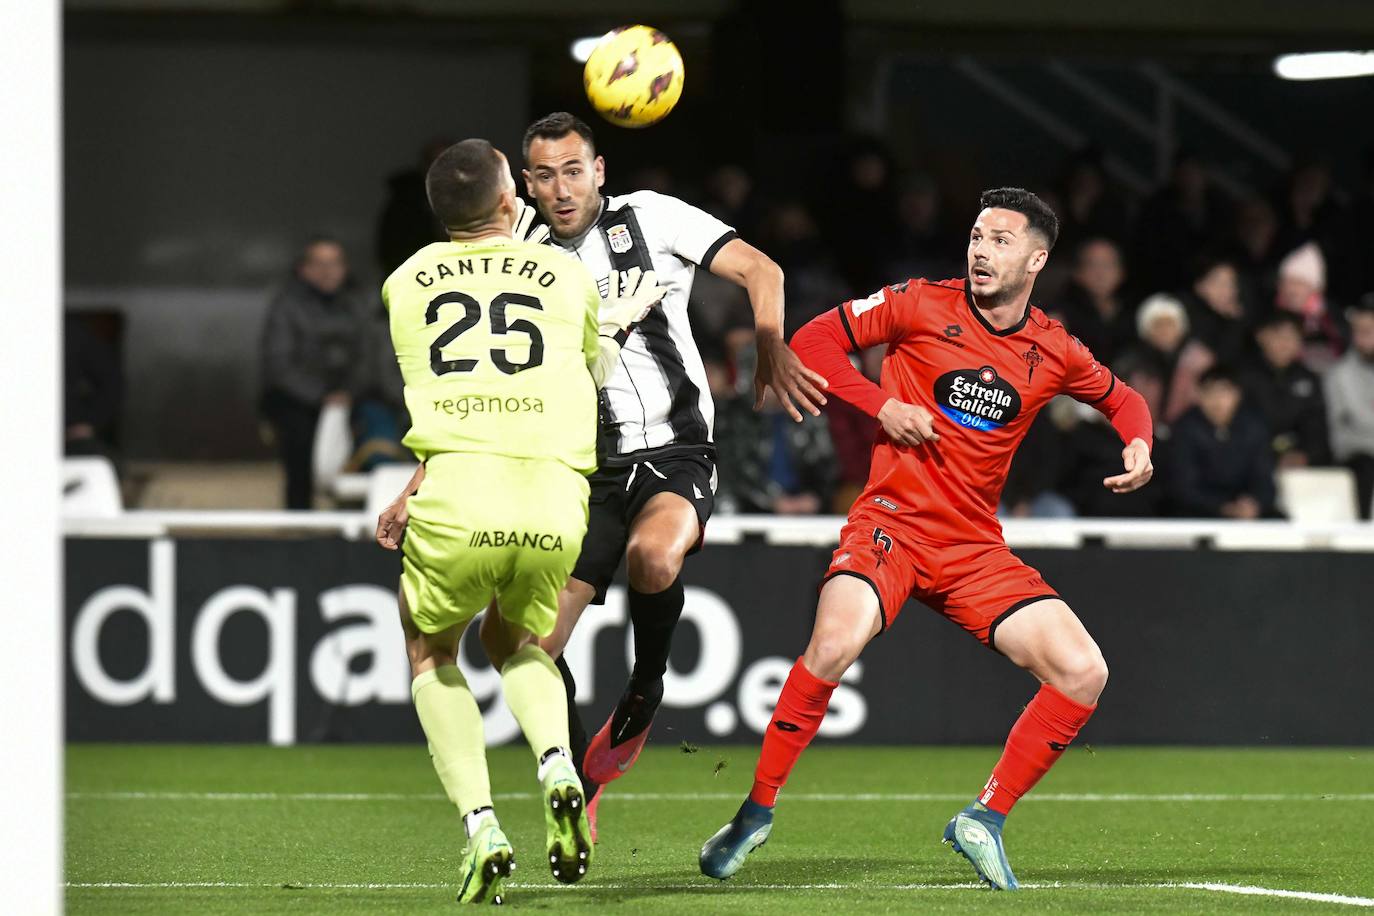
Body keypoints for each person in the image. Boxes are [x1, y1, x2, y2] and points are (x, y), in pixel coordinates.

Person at [699, 188, 1154, 890]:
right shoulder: (917, 302)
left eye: (1001, 239)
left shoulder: (1053, 349)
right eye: (976, 235)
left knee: (1084, 671)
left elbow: (1124, 400)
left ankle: (985, 818)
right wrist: (884, 404)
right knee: (832, 644)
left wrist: (1139, 445)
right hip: (890, 527)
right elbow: (815, 340)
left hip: (972, 549)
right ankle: (756, 812)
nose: (980, 249)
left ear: (1037, 258)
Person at [373, 138, 666, 904]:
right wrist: (618, 323)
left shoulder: (403, 283)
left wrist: (411, 493)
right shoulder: (567, 276)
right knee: (519, 641)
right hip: (555, 496)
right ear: (512, 202)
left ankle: (481, 825)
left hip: (461, 487)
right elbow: (588, 368)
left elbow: (458, 394)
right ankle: (557, 764)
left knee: (430, 646)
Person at [259, 237, 370, 509]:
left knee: (375, 429)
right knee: (298, 449)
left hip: (351, 398)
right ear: (303, 269)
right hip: (300, 401)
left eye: (334, 263)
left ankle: (359, 525)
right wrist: (321, 396)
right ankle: (300, 526)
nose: (328, 270)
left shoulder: (358, 304)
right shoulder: (287, 305)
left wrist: (348, 393)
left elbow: (370, 355)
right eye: (319, 263)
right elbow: (279, 364)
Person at [1167, 365, 1277, 519]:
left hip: (1247, 513)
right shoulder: (1184, 428)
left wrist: (1254, 503)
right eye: (1210, 393)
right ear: (1199, 395)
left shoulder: (1253, 428)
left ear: (1237, 395)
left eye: (1224, 393)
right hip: (1197, 515)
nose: (1217, 401)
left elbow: (1264, 479)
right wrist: (1224, 507)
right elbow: (1183, 487)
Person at [1240, 313, 1330, 470]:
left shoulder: (1309, 378)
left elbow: (1317, 426)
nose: (1285, 343)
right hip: (1252, 462)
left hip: (1300, 462)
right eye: (1278, 335)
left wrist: (1305, 455)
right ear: (1260, 336)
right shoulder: (1242, 376)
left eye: (1292, 336)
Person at [1325, 296, 1374, 519]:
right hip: (1358, 455)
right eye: (1359, 330)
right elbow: (1341, 433)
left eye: (1370, 330)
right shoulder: (1338, 375)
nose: (1364, 337)